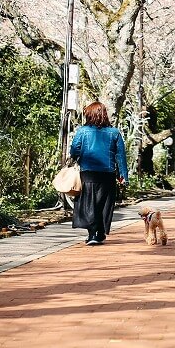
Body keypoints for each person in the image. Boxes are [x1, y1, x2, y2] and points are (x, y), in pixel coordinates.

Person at [70, 101, 127, 246]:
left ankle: (92, 234)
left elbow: (74, 150)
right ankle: (99, 232)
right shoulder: (114, 132)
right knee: (104, 204)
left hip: (88, 173)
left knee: (89, 204)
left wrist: (78, 157)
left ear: (89, 114)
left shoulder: (82, 131)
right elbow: (120, 156)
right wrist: (123, 176)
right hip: (107, 174)